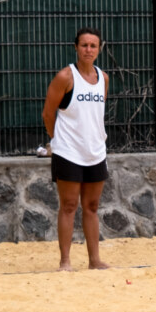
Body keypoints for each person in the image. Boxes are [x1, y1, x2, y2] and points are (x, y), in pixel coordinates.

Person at [41, 27, 110, 271]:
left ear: (99, 49)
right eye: (84, 45)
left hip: (95, 151)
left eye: (93, 45)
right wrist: (56, 140)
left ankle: (94, 260)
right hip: (68, 152)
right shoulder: (65, 77)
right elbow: (48, 113)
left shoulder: (104, 78)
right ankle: (65, 261)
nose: (88, 49)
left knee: (92, 207)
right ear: (76, 48)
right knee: (69, 206)